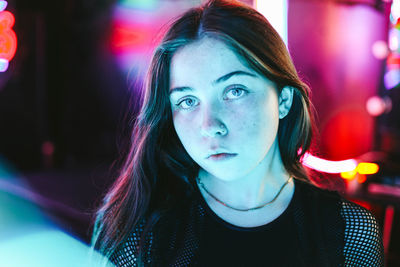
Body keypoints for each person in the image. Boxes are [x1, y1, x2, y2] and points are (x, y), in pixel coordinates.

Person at [92, 0, 384, 266]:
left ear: (283, 100)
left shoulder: (348, 231)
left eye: (234, 91)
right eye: (187, 101)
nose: (210, 125)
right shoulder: (141, 235)